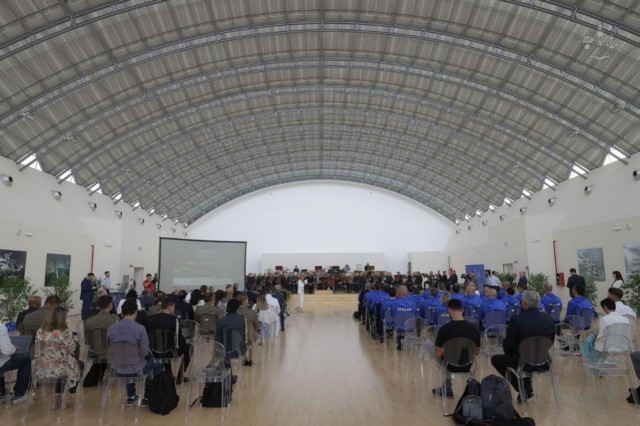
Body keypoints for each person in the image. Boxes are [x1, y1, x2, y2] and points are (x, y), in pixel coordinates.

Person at [491, 291, 554, 402]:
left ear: (524, 303)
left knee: (496, 360)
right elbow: (551, 342)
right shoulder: (549, 319)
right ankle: (526, 388)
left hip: (522, 361)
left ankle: (522, 388)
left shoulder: (517, 320)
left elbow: (508, 347)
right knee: (525, 356)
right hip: (544, 361)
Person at [107, 299, 160, 406]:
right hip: (136, 369)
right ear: (136, 312)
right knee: (155, 365)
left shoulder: (111, 329)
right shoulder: (140, 329)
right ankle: (147, 396)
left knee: (128, 360)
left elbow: (108, 349)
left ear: (121, 313)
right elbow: (145, 352)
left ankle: (131, 396)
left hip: (117, 369)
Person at [424, 299, 480, 398]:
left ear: (449, 310)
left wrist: (446, 351)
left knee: (428, 343)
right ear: (462, 310)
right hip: (467, 365)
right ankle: (448, 387)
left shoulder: (444, 329)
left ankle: (447, 387)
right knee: (449, 355)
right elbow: (476, 352)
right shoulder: (474, 328)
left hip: (449, 365)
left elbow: (437, 354)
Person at [33, 307, 84, 409]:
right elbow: (71, 349)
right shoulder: (66, 332)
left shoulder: (40, 331)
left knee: (64, 367)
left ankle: (55, 400)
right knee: (78, 365)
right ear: (62, 318)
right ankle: (68, 397)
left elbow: (37, 348)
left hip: (42, 367)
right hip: (59, 366)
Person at [145, 298, 190, 383]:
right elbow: (179, 340)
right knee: (188, 347)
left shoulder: (149, 319)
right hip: (170, 352)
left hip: (153, 352)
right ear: (169, 307)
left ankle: (165, 373)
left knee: (165, 345)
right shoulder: (174, 320)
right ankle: (179, 376)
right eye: (174, 307)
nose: (174, 309)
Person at [0, 304, 31, 405]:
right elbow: (7, 351)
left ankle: (2, 393)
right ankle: (19, 394)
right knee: (27, 358)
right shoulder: (1, 327)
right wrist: (13, 347)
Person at [215, 299, 248, 368]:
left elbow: (217, 340)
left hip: (225, 351)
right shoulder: (242, 319)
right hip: (240, 350)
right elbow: (244, 335)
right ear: (237, 308)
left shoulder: (220, 322)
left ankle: (224, 368)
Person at [237, 293, 259, 366]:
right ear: (244, 301)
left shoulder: (236, 312)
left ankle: (245, 358)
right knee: (250, 343)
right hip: (249, 335)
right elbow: (257, 325)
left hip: (238, 335)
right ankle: (250, 360)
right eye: (247, 299)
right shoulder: (252, 312)